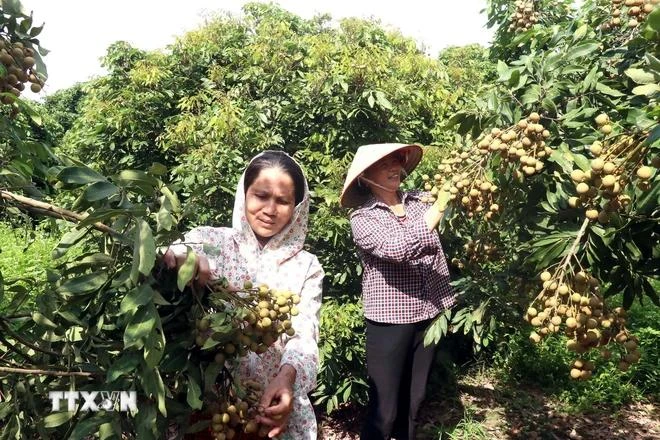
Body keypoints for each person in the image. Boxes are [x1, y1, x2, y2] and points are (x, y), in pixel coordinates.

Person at [164, 151, 323, 440]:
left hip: (269, 412)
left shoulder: (307, 266)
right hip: (208, 409)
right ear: (244, 194)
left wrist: (287, 377)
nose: (270, 210)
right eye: (261, 196)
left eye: (283, 201)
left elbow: (303, 333)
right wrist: (182, 257)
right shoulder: (210, 240)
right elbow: (167, 257)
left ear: (297, 208)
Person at [339, 143, 456, 440]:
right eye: (384, 164)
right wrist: (439, 209)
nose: (394, 167)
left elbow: (459, 202)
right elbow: (397, 248)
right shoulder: (362, 218)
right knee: (385, 409)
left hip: (430, 311)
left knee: (414, 402)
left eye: (396, 161)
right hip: (391, 318)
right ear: (365, 176)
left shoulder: (418, 200)